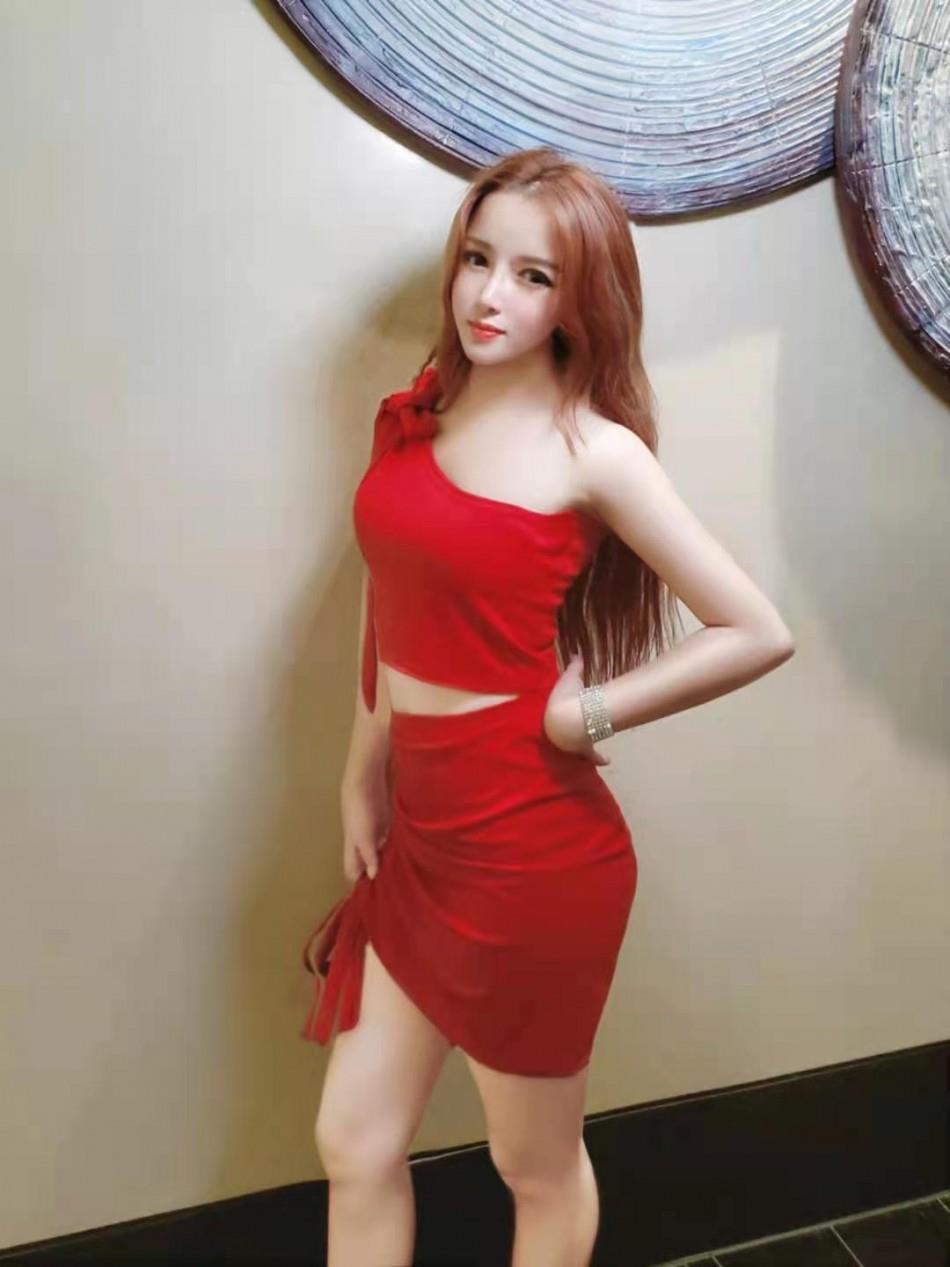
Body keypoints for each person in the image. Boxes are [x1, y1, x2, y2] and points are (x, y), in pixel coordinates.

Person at [300, 146, 796, 1267]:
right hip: (420, 835)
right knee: (353, 1137)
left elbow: (756, 628)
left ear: (580, 298)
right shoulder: (417, 413)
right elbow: (389, 595)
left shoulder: (595, 453)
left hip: (530, 856)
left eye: (533, 276)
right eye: (478, 259)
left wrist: (587, 718)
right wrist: (361, 767)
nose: (489, 295)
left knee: (532, 1164)